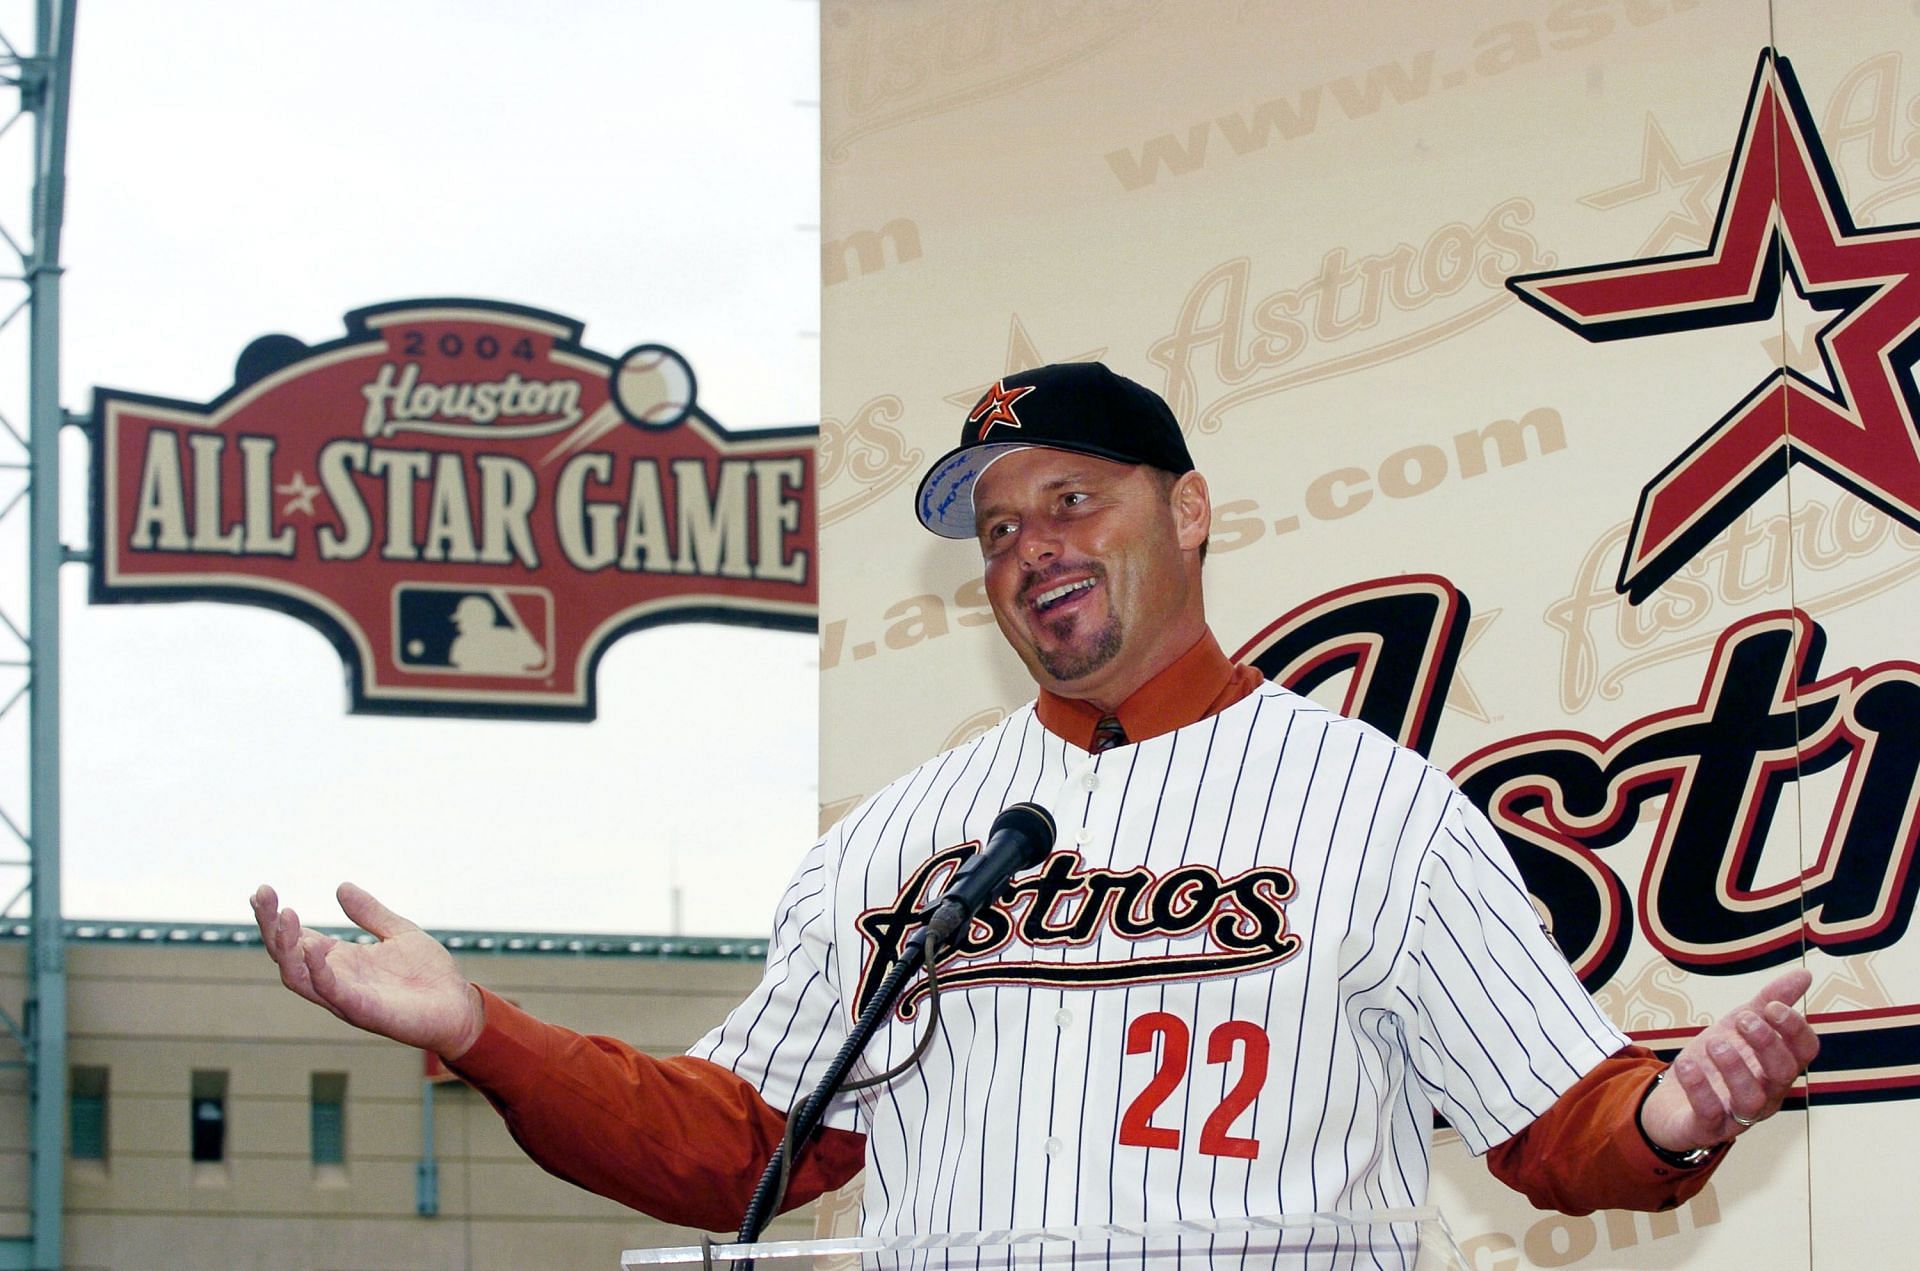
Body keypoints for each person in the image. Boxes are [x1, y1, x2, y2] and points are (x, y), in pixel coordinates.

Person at [253, 362, 1819, 1251]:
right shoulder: (896, 843)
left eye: (1074, 499)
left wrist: (1675, 1113)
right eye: (998, 528)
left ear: (1187, 512)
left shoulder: (1379, 810)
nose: (1031, 548)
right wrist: (481, 1032)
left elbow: (1560, 1120)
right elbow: (741, 1146)